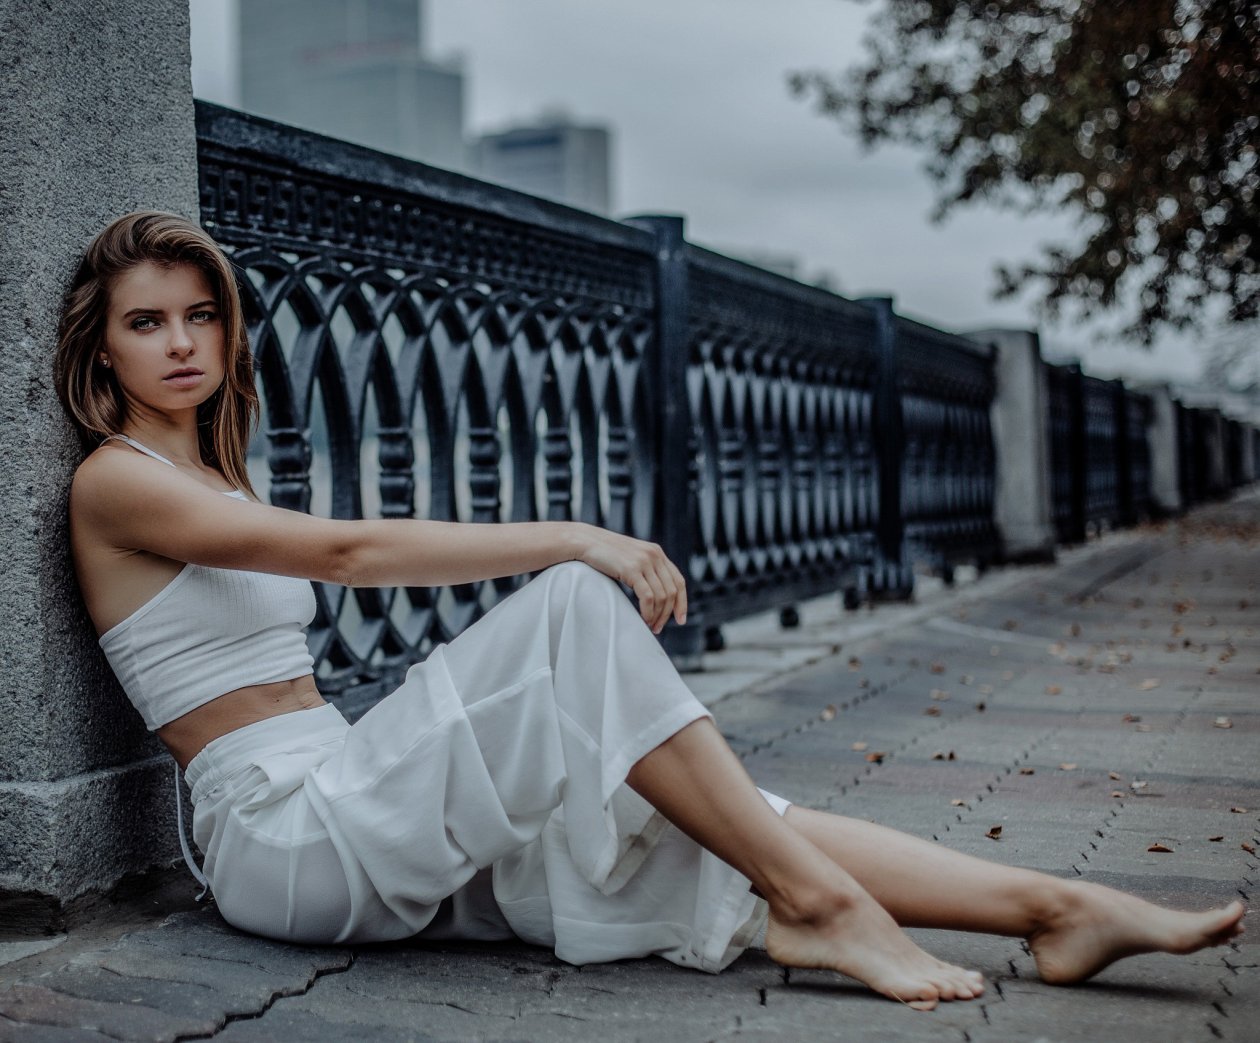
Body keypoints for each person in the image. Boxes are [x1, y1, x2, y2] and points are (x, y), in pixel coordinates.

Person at [54, 211, 1244, 1012]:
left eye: (198, 315)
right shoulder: (115, 481)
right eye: (146, 322)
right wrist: (580, 533)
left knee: (694, 825)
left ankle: (1055, 904)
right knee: (575, 606)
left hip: (355, 786)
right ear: (102, 354)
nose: (180, 342)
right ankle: (824, 904)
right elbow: (350, 549)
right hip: (283, 838)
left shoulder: (218, 471)